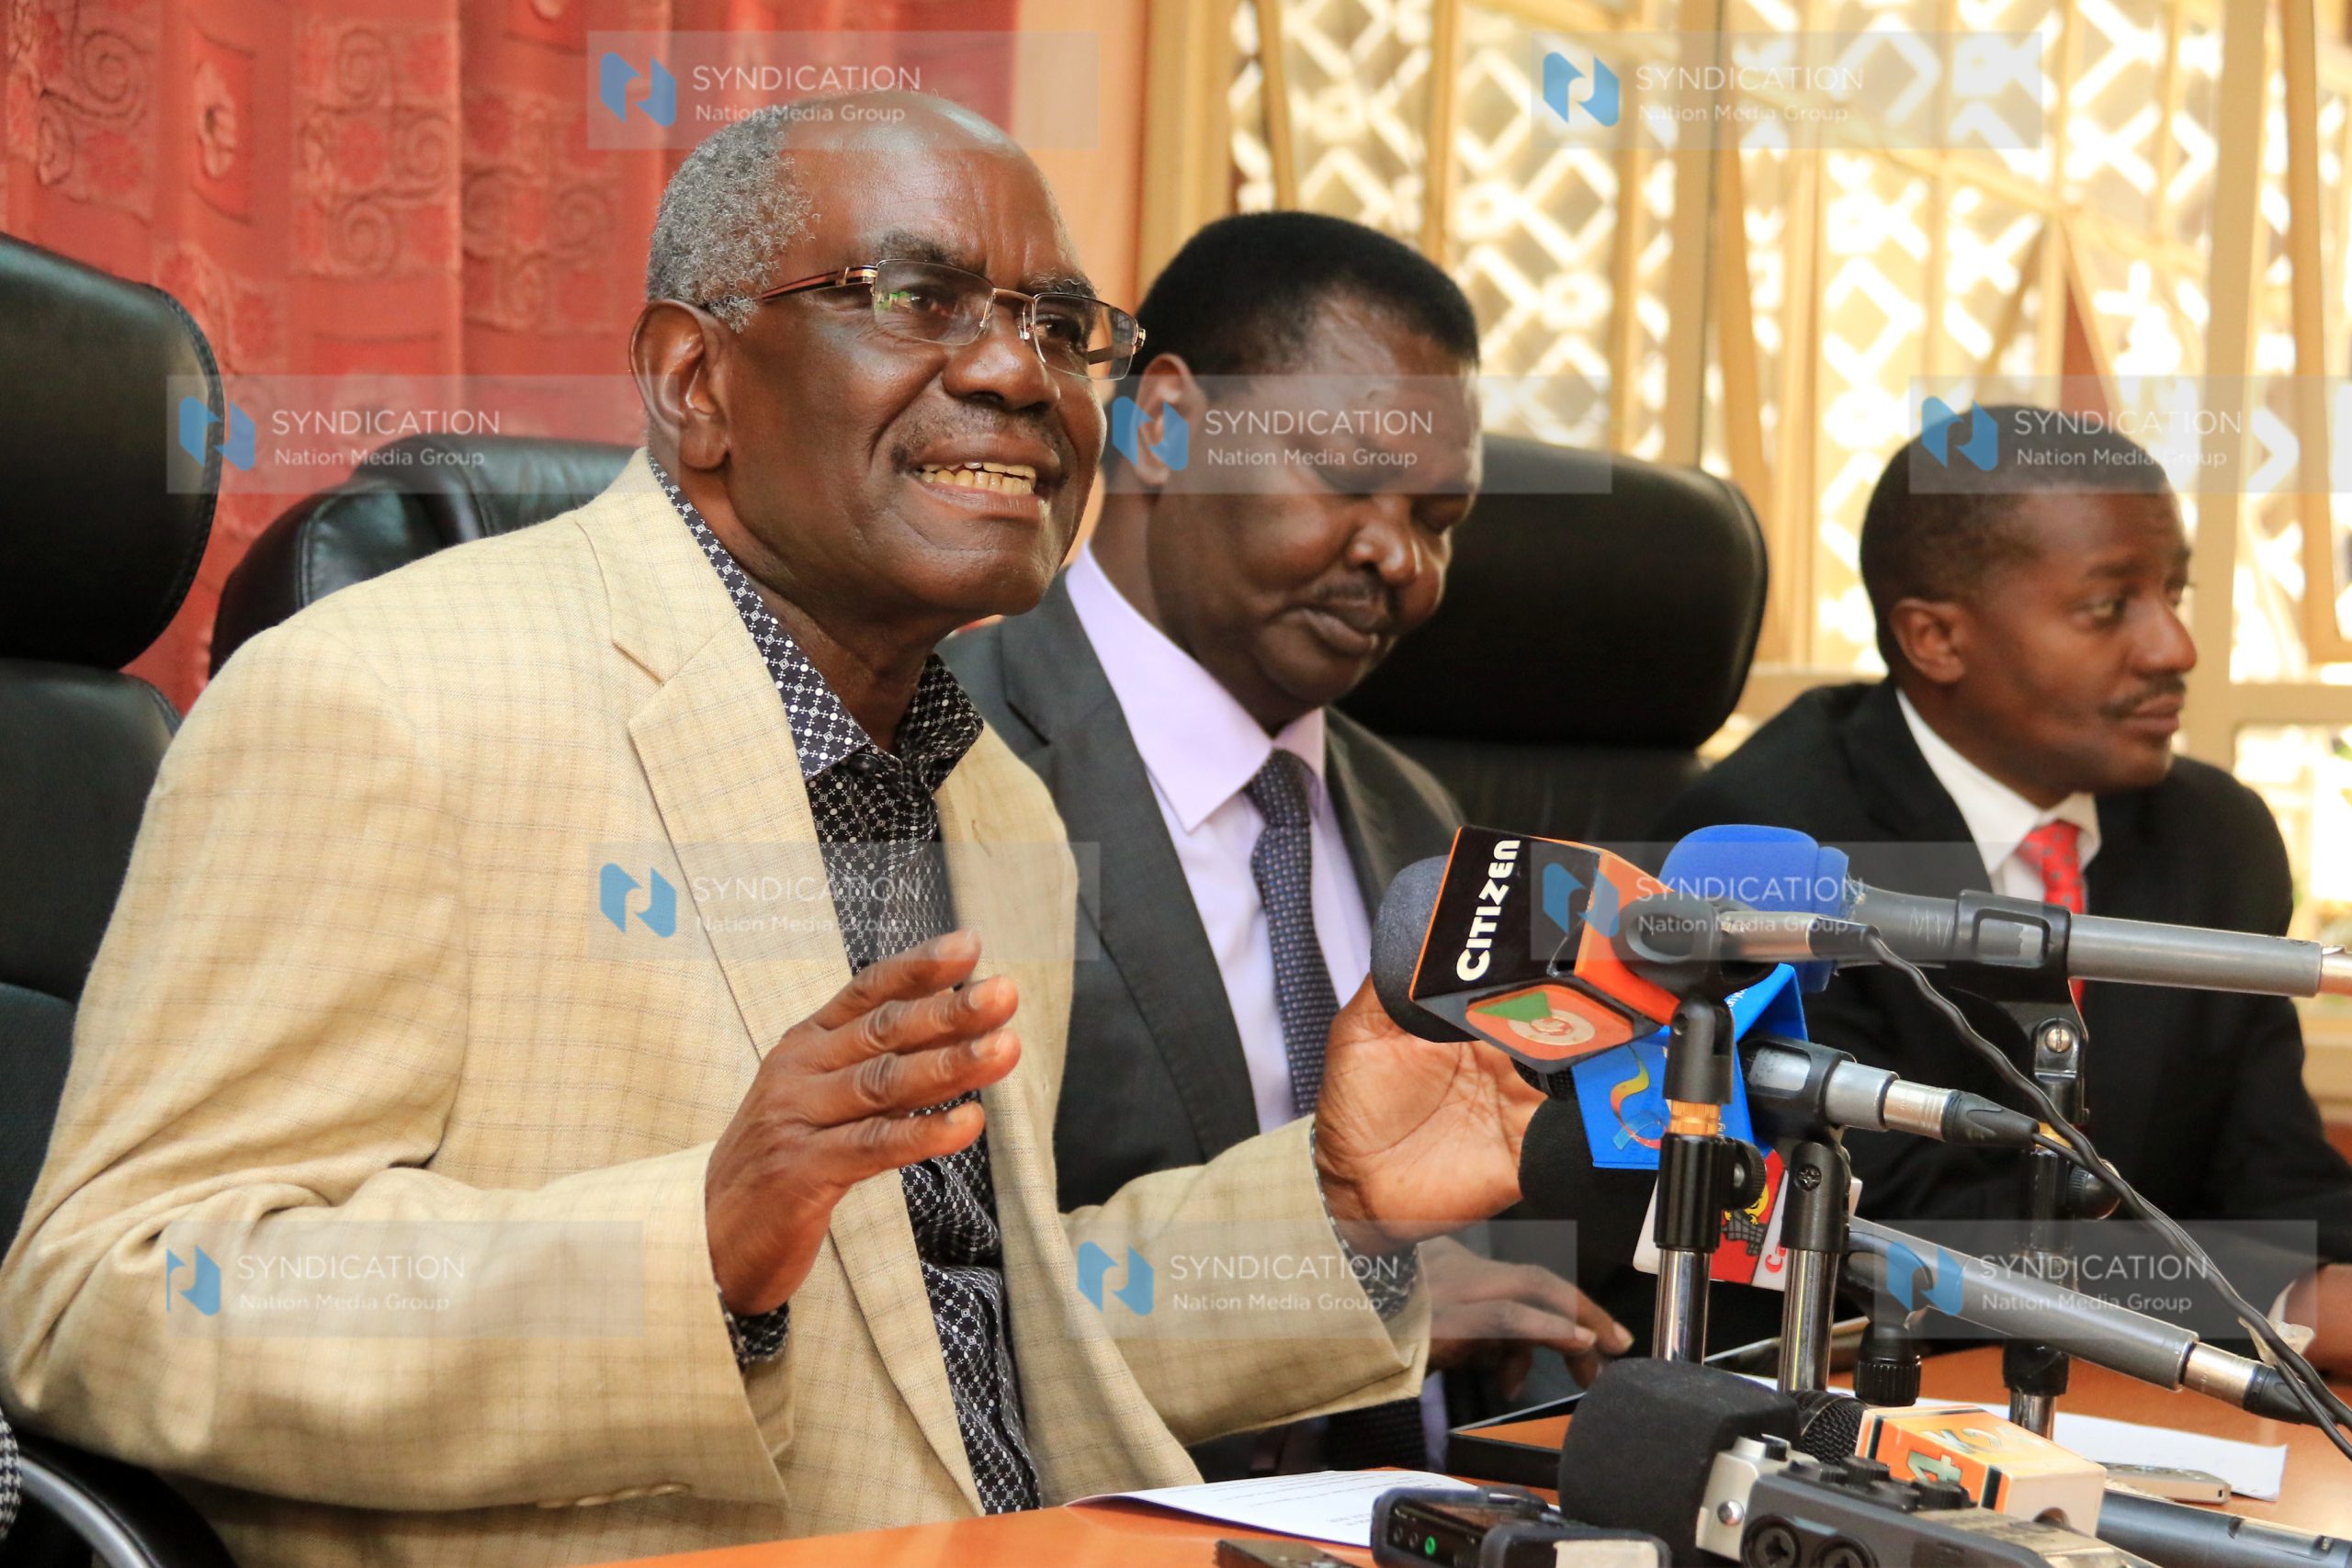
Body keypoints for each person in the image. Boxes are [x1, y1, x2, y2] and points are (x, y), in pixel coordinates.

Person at [0, 95, 1549, 1567]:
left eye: (1057, 325)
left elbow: (968, 1327)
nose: (1020, 374)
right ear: (698, 384)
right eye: (920, 300)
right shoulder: (382, 698)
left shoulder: (990, 798)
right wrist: (698, 1247)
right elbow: (110, 1302)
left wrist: (1337, 1201)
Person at [944, 212, 1631, 1472]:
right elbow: (917, 1312)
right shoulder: (941, 762)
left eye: (1440, 516)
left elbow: (1501, 1232)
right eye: (1347, 476)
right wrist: (1364, 1297)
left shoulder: (1424, 821)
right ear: (1160, 424)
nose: (1399, 561)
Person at [1652, 407, 2352, 1365]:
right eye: (2110, 607)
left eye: (2172, 591)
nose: (2174, 646)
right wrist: (2286, 1303)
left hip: (2141, 1409)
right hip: (1833, 1393)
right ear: (1936, 638)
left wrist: (2315, 1274)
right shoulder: (1780, 847)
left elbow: (2276, 1176)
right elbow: (1876, 1224)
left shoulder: (2212, 838)